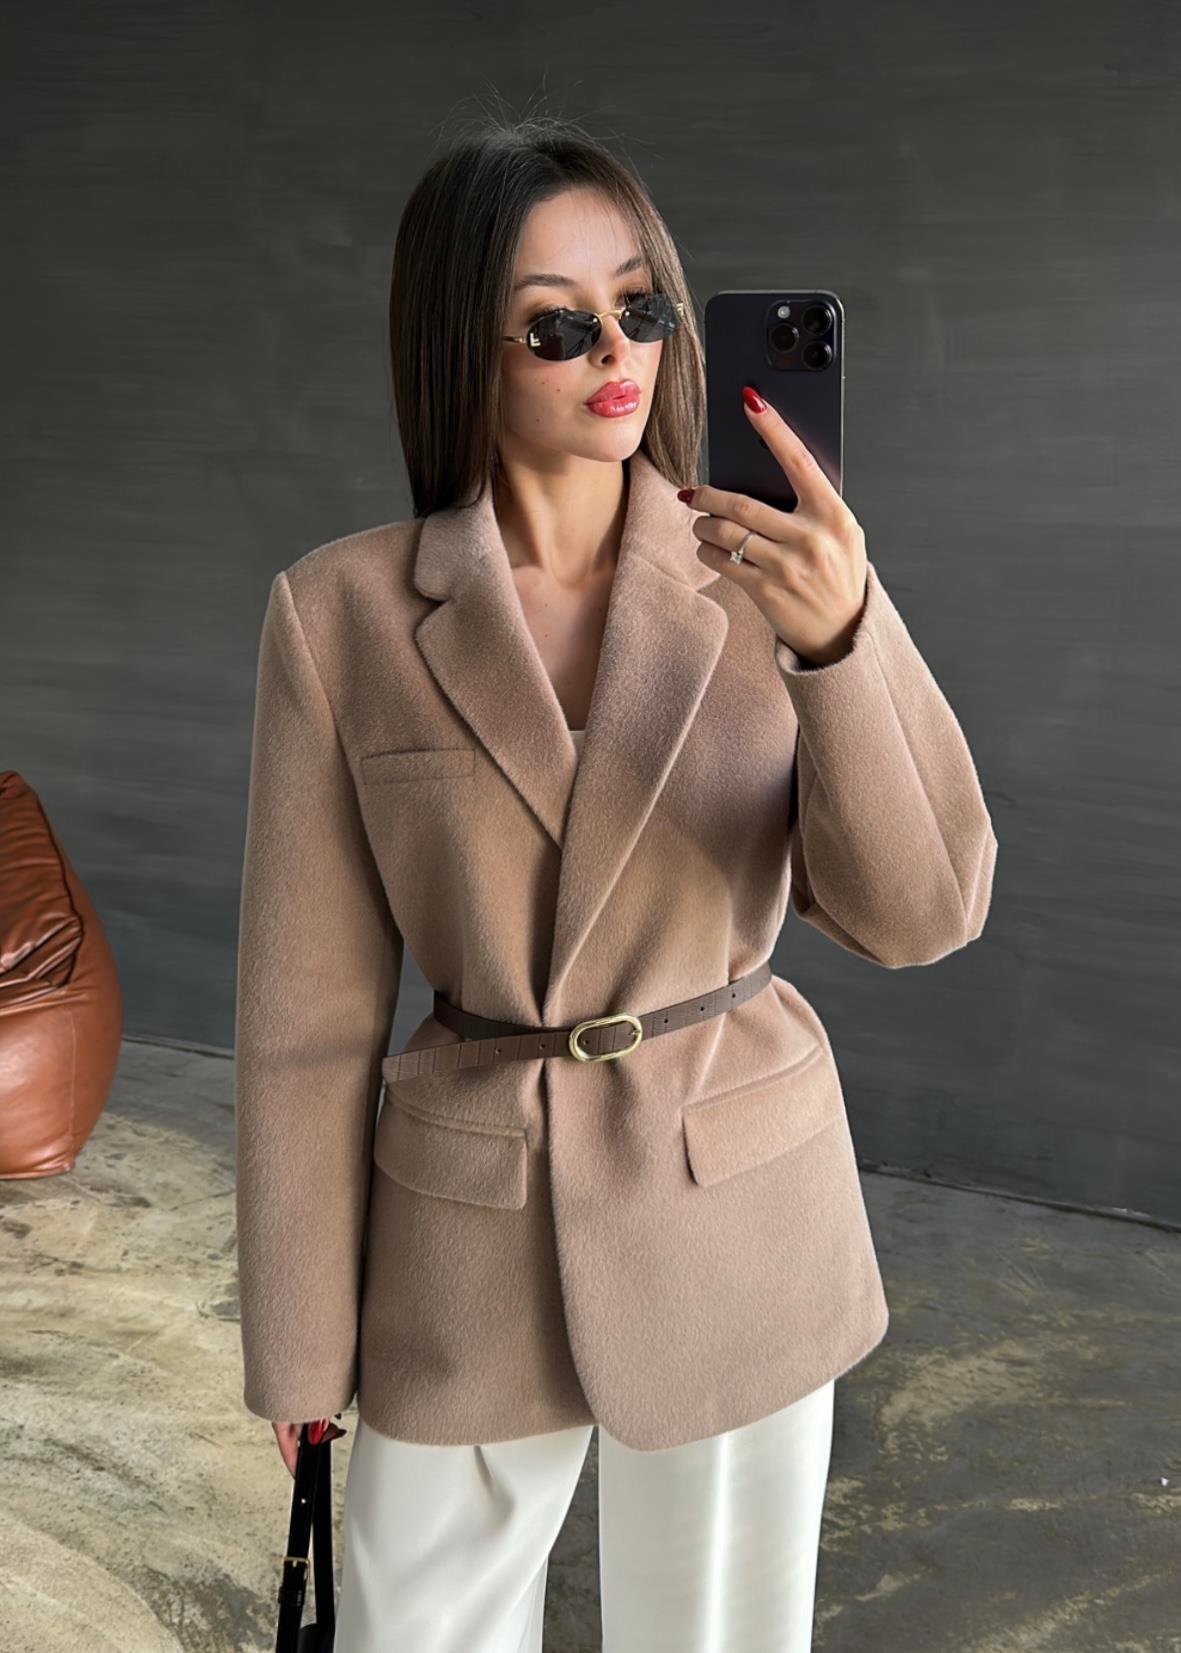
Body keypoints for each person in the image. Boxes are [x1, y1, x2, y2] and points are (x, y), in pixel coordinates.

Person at [234, 111, 997, 1651]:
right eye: (556, 324)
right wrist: (300, 1353)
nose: (617, 353)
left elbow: (920, 912)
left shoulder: (775, 571)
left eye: (640, 306)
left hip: (734, 1198)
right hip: (469, 1220)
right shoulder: (341, 616)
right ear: (461, 346)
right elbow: (306, 1026)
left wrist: (840, 640)